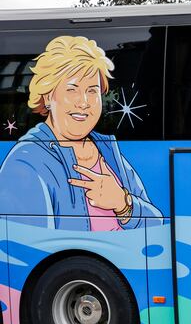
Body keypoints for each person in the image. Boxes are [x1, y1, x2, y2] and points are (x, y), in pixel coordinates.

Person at [0, 35, 162, 230]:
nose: (84, 102)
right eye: (72, 90)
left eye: (93, 91)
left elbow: (157, 224)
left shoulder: (107, 149)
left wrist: (123, 204)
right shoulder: (26, 160)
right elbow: (31, 246)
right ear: (48, 96)